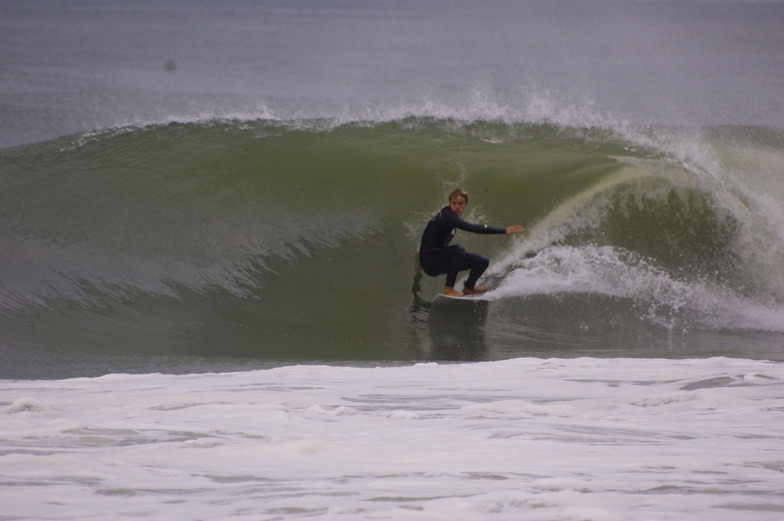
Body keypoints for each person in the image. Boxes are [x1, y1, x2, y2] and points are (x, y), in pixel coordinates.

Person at [418, 188, 524, 297]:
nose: (457, 206)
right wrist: (505, 230)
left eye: (460, 203)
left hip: (439, 260)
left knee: (482, 261)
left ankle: (469, 288)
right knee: (458, 250)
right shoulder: (447, 216)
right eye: (454, 203)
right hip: (431, 262)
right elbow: (474, 228)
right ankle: (449, 289)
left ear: (465, 204)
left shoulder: (450, 217)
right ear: (449, 203)